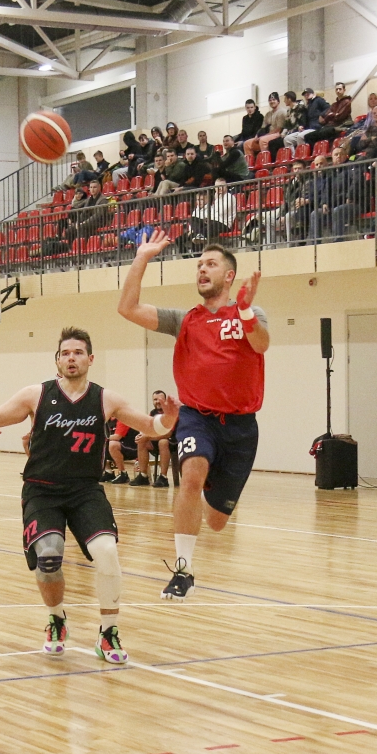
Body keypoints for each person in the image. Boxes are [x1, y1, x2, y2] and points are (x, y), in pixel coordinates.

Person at [0, 327, 177, 661]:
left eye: (78, 353)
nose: (72, 358)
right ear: (57, 359)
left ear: (90, 359)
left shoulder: (105, 399)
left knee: (107, 552)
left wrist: (166, 420)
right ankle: (57, 620)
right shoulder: (35, 395)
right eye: (65, 353)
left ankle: (108, 633)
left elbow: (150, 427)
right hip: (42, 491)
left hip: (85, 491)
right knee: (50, 556)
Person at [117, 233, 269, 600]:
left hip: (240, 428)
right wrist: (142, 258)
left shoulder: (250, 314)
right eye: (199, 264)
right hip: (196, 418)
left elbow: (261, 344)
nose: (202, 268)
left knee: (216, 522)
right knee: (190, 478)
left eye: (210, 264)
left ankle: (202, 504)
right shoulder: (184, 319)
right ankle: (183, 569)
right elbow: (127, 308)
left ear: (229, 276)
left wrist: (246, 310)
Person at [135, 390, 174, 488]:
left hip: (172, 442)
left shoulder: (171, 412)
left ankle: (163, 477)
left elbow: (168, 434)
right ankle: (143, 476)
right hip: (155, 440)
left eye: (160, 399)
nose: (157, 401)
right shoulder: (153, 413)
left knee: (163, 442)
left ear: (165, 401)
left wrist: (147, 436)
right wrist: (141, 435)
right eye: (155, 399)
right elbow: (147, 428)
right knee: (142, 441)